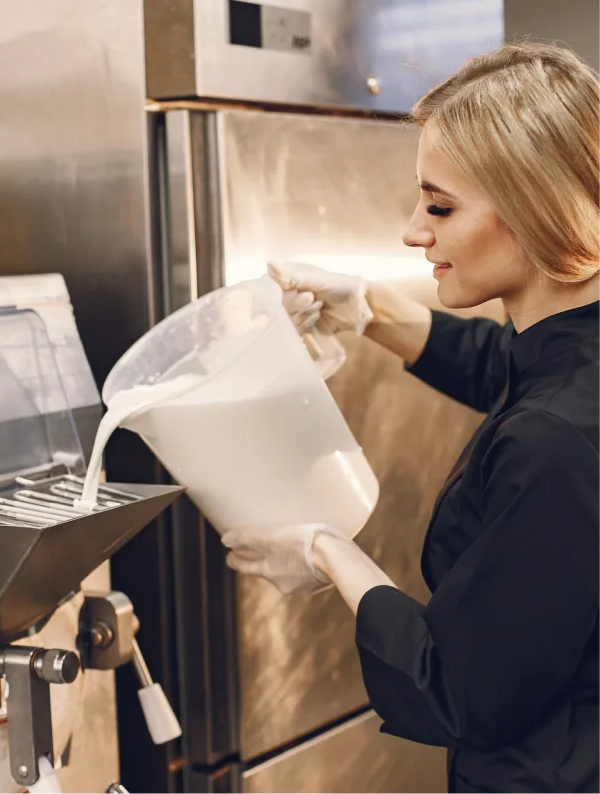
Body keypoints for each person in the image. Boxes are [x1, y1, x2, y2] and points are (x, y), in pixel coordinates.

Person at [222, 42, 600, 794]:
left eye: (440, 206)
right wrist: (368, 309)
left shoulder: (556, 442)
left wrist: (330, 552)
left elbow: (455, 690)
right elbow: (504, 368)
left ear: (538, 208)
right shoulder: (572, 355)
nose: (412, 231)